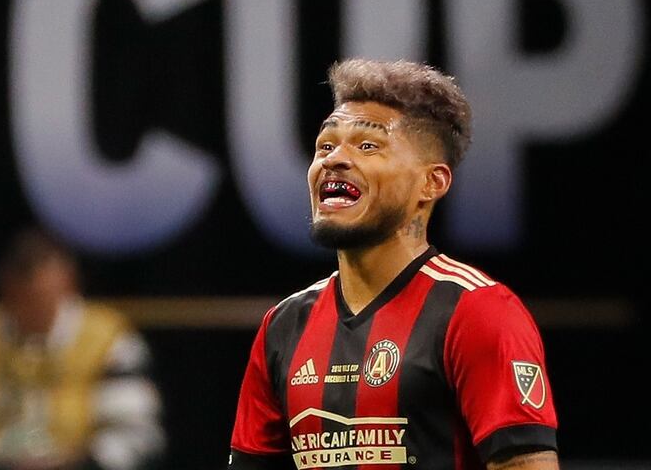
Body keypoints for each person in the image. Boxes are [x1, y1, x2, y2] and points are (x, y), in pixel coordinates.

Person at [228, 59, 558, 470]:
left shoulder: (477, 311)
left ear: (431, 182)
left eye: (367, 146)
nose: (334, 159)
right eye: (325, 146)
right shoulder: (283, 326)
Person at [0, 228, 165, 470]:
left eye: (42, 297)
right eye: (21, 298)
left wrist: (79, 461)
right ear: (4, 287)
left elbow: (135, 431)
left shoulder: (109, 340)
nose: (32, 308)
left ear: (68, 284)